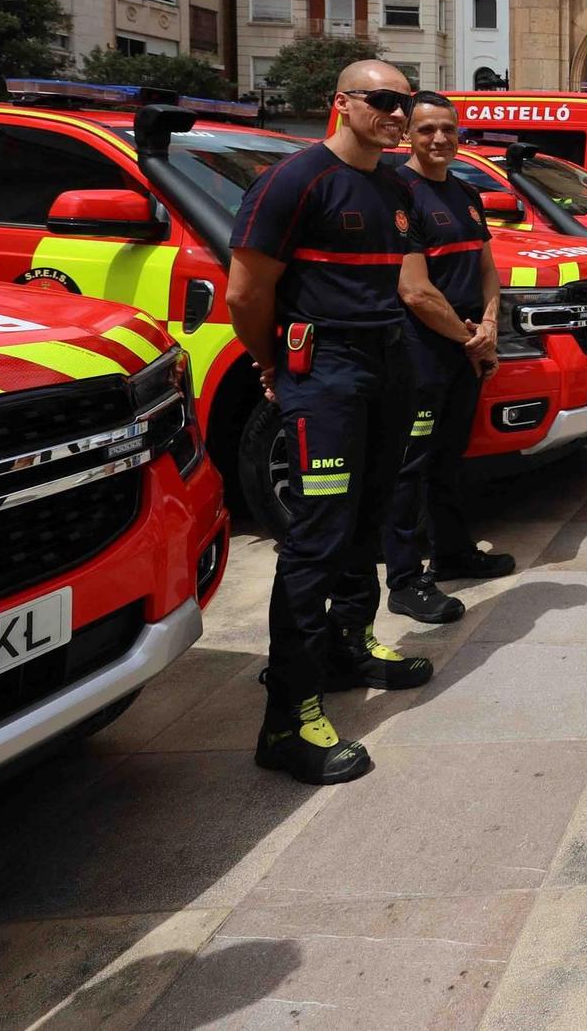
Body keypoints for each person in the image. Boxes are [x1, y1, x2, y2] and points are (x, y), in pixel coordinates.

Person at [227, 60, 436, 785]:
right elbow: (246, 290)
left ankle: (351, 643)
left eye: (405, 101)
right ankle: (287, 715)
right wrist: (274, 363)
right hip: (328, 372)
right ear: (341, 103)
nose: (397, 113)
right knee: (316, 536)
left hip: (388, 364)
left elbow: (407, 281)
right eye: (382, 100)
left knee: (367, 519)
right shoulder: (295, 180)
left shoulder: (397, 185)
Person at [383, 92, 515, 625]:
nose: (439, 139)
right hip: (421, 349)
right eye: (426, 130)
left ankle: (454, 552)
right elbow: (413, 290)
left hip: (465, 342)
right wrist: (469, 337)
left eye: (448, 130)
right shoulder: (397, 194)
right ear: (407, 135)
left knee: (448, 456)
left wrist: (487, 326)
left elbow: (487, 268)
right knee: (409, 467)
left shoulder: (464, 193)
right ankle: (405, 579)